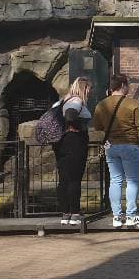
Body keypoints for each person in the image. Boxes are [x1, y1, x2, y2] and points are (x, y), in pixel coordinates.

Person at [93, 74, 139, 227]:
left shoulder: (101, 105)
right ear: (123, 85)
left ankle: (116, 217)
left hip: (111, 146)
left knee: (115, 180)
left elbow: (98, 128)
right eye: (128, 85)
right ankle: (131, 216)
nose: (129, 88)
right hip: (130, 144)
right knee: (132, 180)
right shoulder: (133, 104)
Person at [52, 77, 93, 226]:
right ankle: (75, 213)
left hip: (60, 142)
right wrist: (77, 127)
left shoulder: (60, 101)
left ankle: (65, 213)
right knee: (74, 178)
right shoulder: (76, 101)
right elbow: (70, 114)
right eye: (90, 89)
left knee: (64, 178)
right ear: (85, 88)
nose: (91, 92)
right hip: (74, 141)